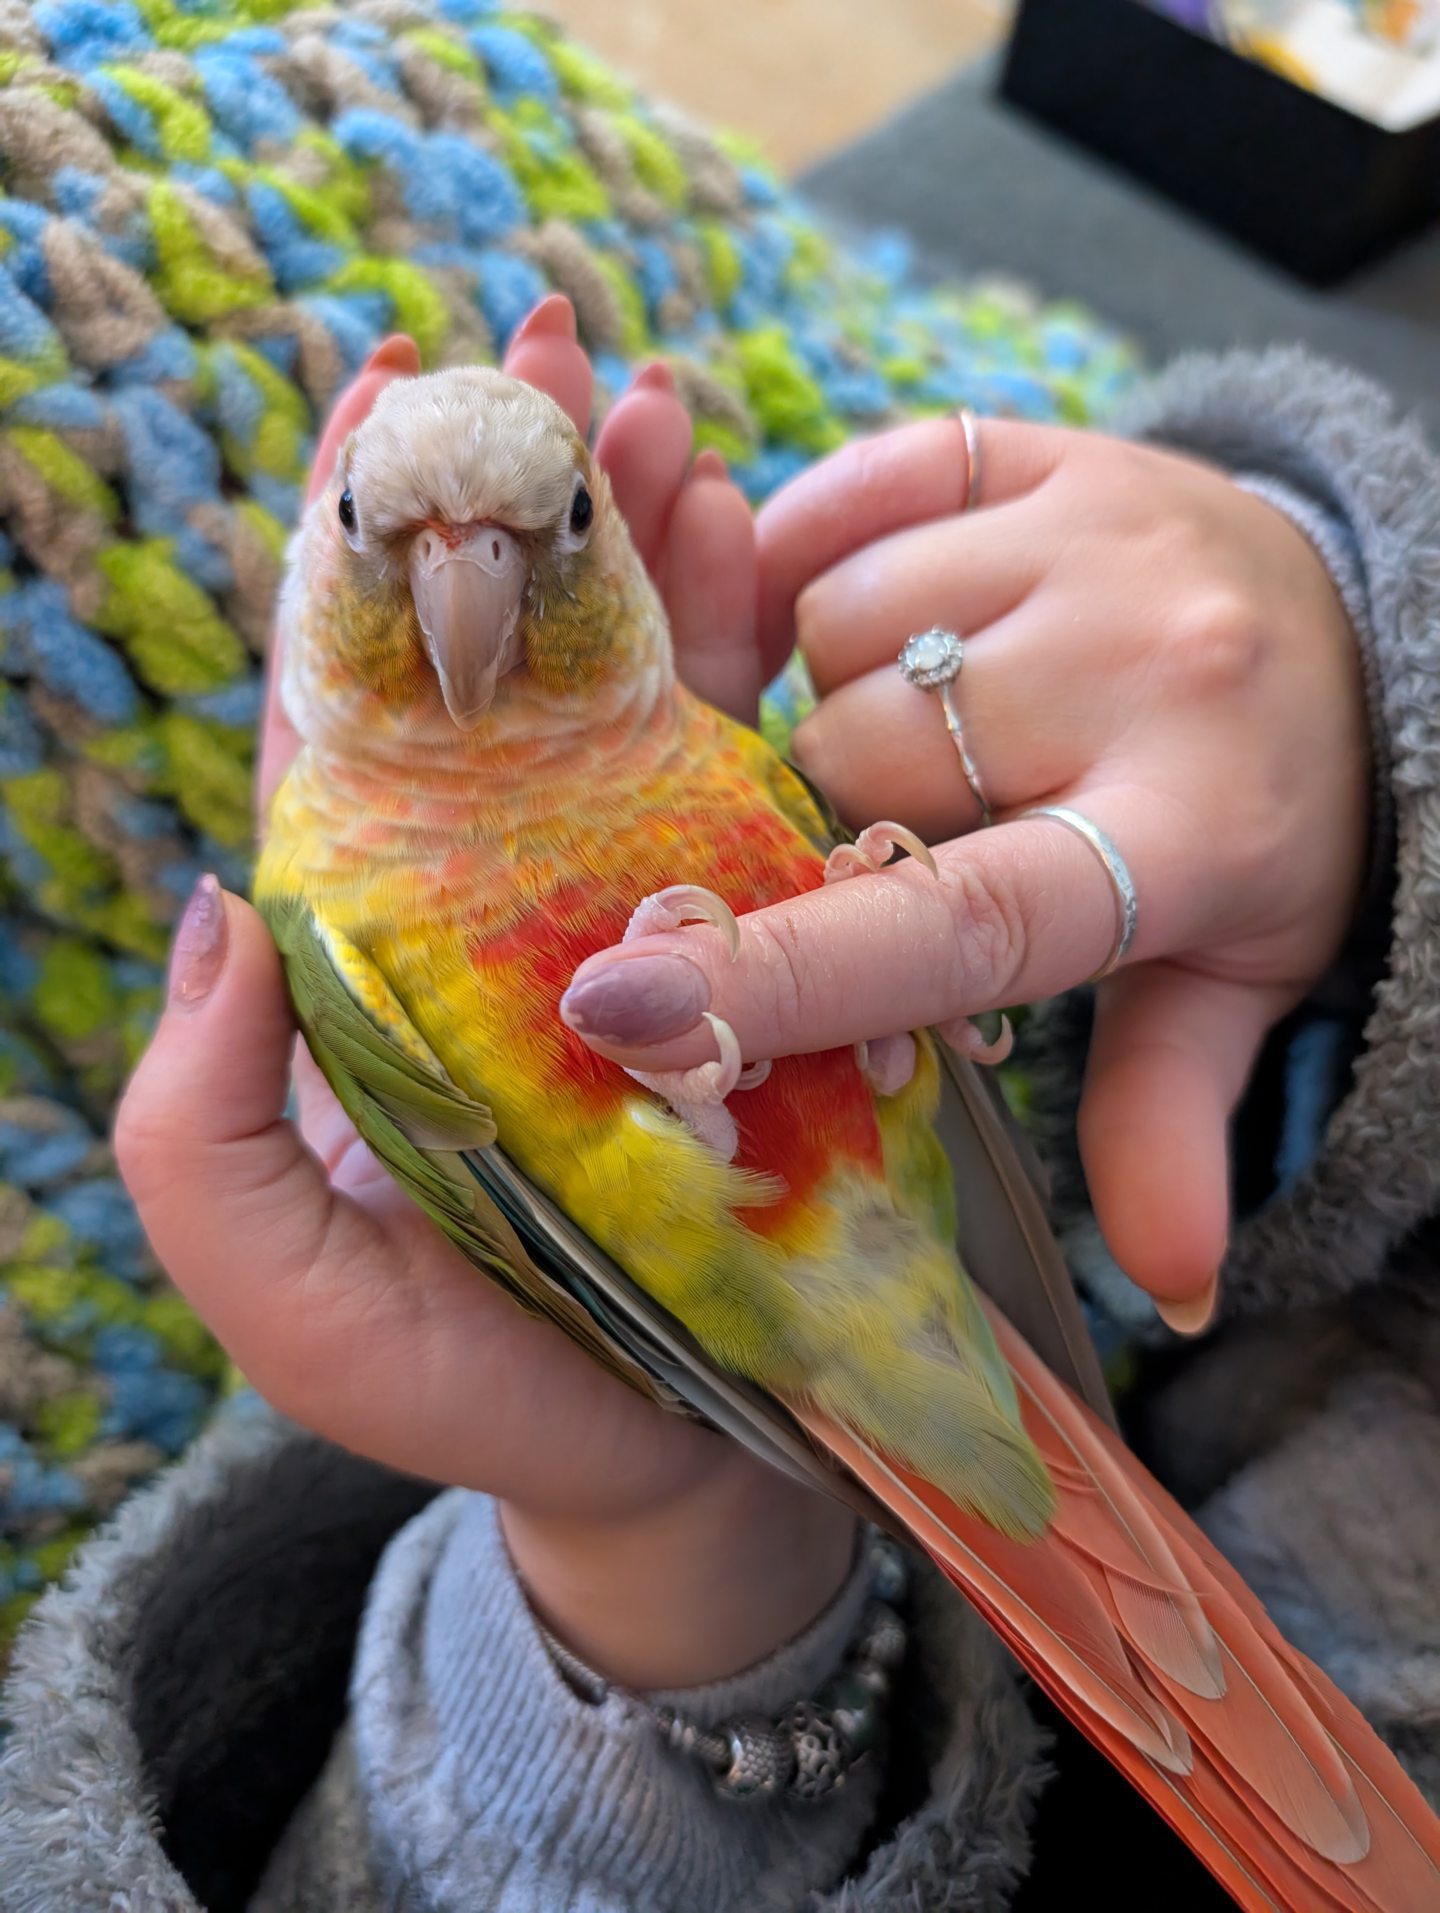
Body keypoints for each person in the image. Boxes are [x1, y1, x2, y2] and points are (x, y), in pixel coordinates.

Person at [1, 289, 1437, 1911]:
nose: (464, 588)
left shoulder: (710, 745)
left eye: (549, 528)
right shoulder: (334, 902)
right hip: (753, 1310)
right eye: (377, 530)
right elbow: (574, 1252)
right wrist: (665, 1510)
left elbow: (897, 1035)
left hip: (926, 1246)